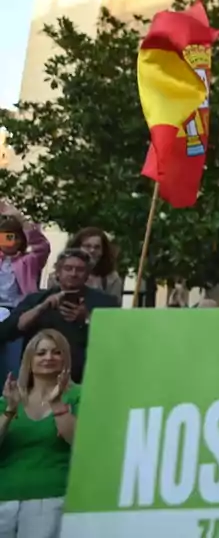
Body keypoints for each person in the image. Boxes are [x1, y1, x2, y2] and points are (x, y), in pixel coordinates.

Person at [0, 329, 79, 538]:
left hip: (51, 497)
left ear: (66, 358)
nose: (49, 358)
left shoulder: (78, 395)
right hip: (4, 498)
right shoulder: (9, 398)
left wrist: (57, 404)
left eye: (56, 352)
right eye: (41, 353)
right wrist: (9, 411)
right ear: (29, 359)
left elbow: (80, 444)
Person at [9, 250, 118, 383]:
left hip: (85, 378)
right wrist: (42, 307)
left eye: (80, 270)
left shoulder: (105, 302)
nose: (73, 274)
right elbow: (8, 330)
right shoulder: (36, 299)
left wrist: (88, 318)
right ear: (58, 272)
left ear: (87, 275)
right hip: (40, 379)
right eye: (68, 268)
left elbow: (115, 338)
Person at [0, 205, 50, 383]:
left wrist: (21, 220)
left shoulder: (29, 261)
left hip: (17, 314)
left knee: (13, 362)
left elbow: (42, 246)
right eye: (4, 237)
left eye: (13, 237)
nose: (8, 241)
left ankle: (11, 399)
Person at [66, 228, 123, 300]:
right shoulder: (59, 275)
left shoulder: (111, 278)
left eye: (97, 247)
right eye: (87, 246)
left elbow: (114, 307)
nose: (92, 250)